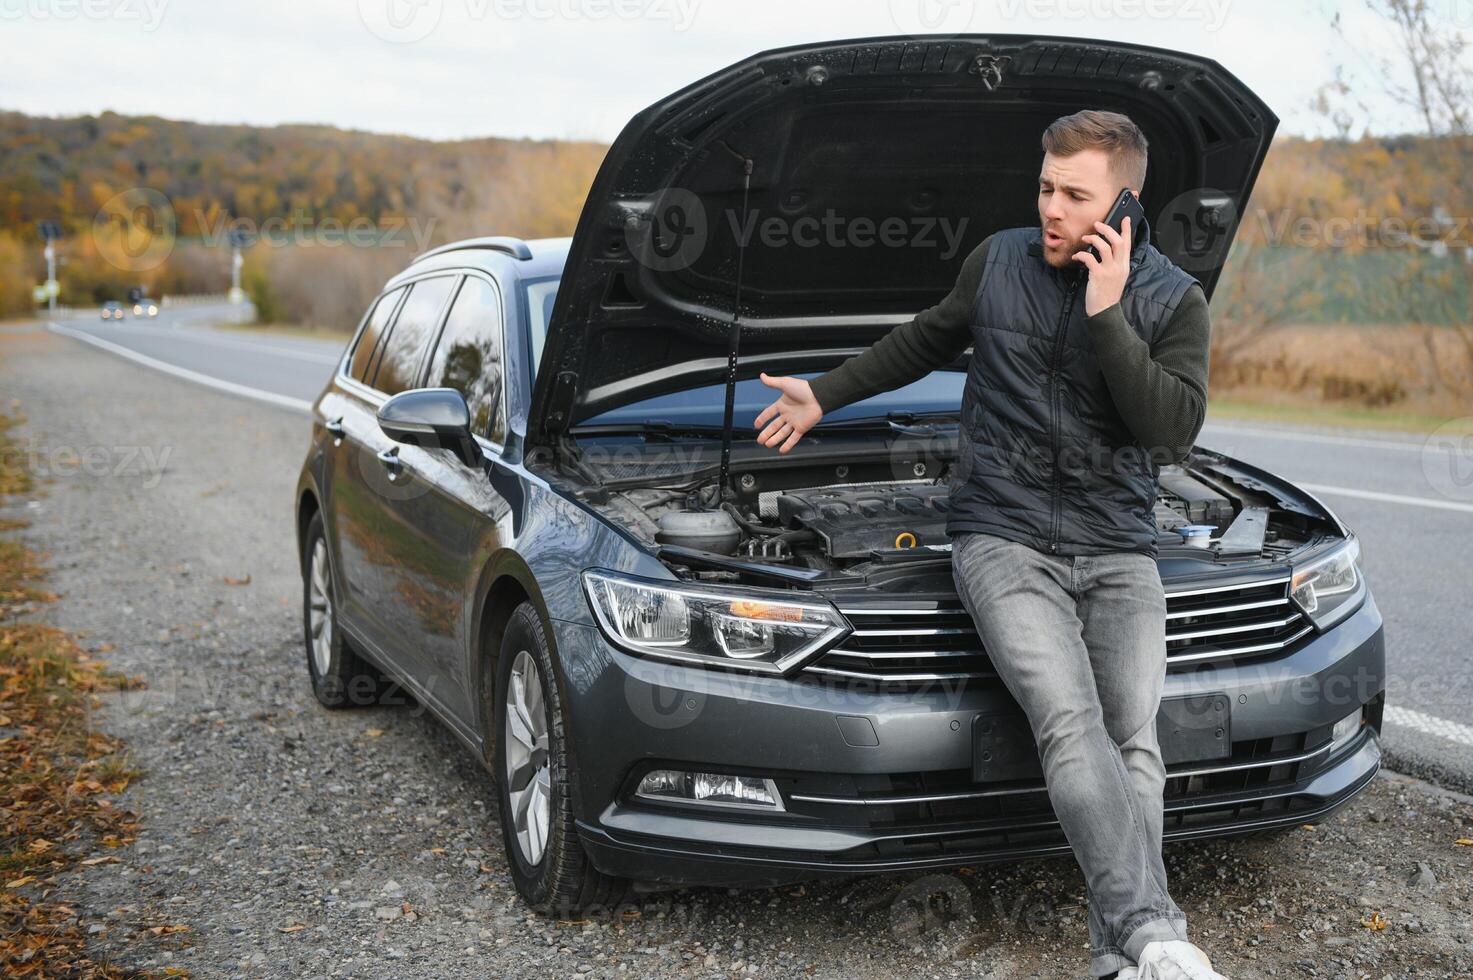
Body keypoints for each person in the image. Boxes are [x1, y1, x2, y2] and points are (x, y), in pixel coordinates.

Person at [753, 109, 1226, 980]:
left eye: (1074, 195)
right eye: (1044, 187)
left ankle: (1115, 958)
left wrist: (1107, 315)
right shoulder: (999, 261)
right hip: (1000, 536)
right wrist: (823, 393)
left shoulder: (1174, 300)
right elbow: (923, 338)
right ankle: (1157, 934)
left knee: (1135, 743)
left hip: (1117, 547)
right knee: (1070, 720)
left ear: (1122, 205)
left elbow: (1168, 436)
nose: (1050, 207)